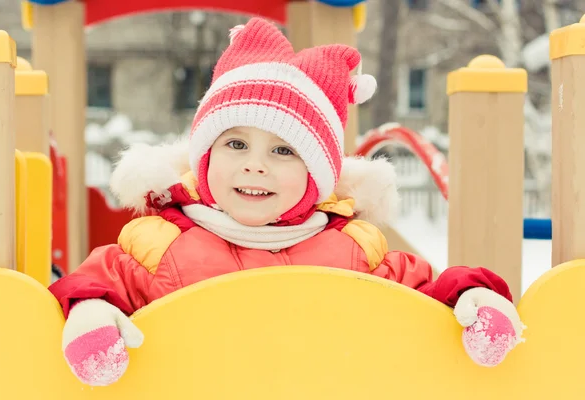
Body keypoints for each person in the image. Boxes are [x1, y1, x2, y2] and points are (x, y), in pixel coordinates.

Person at [48, 17, 524, 387]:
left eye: (283, 151)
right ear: (205, 158)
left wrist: (473, 294)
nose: (255, 166)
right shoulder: (161, 246)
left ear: (318, 177)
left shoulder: (354, 253)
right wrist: (90, 311)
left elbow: (429, 290)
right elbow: (92, 283)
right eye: (236, 145)